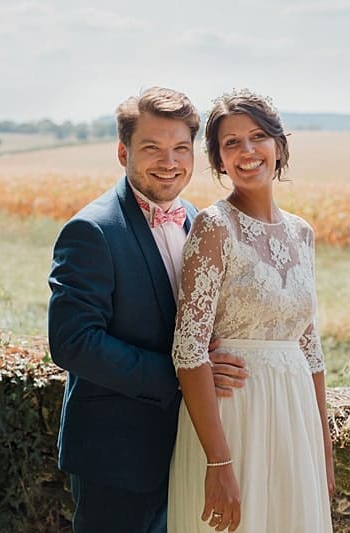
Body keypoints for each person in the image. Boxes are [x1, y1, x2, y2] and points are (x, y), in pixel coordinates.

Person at [48, 87, 247, 533]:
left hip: (186, 448)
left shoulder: (196, 219)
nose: (169, 161)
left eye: (180, 148)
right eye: (152, 148)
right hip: (116, 453)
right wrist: (184, 374)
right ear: (123, 152)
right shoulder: (91, 230)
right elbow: (73, 343)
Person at [167, 90, 335, 532]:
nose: (247, 152)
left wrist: (324, 450)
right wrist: (218, 462)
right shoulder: (213, 227)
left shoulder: (302, 234)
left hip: (294, 419)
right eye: (231, 143)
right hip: (234, 419)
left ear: (279, 146)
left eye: (258, 137)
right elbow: (188, 352)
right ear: (219, 160)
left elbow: (311, 349)